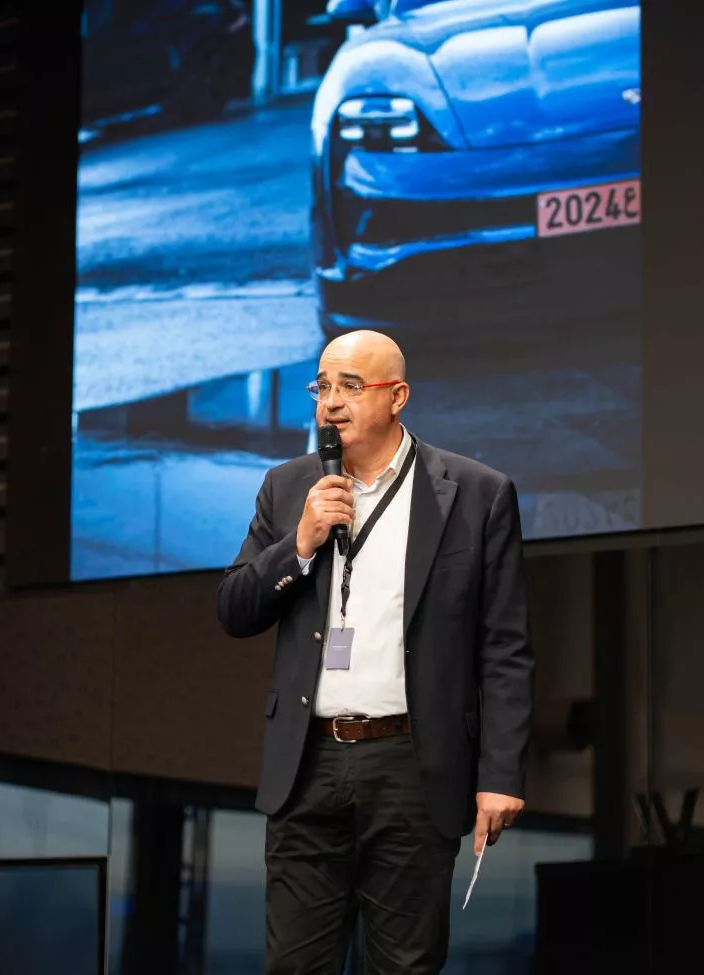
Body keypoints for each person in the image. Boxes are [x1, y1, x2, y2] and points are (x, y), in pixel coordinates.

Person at [217, 330, 534, 974]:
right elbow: (234, 610)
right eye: (323, 386)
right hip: (307, 760)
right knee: (294, 964)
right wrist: (300, 543)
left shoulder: (475, 492)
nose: (331, 403)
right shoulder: (288, 489)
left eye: (351, 387)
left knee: (404, 965)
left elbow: (505, 645)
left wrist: (499, 774)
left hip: (415, 762)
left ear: (399, 397)